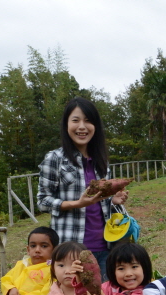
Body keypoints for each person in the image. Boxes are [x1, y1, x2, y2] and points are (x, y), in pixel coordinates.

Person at [37, 97, 128, 278]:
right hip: (72, 251)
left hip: (106, 246)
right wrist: (77, 203)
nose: (82, 127)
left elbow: (101, 201)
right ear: (66, 124)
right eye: (76, 120)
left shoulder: (101, 161)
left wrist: (113, 200)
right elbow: (42, 202)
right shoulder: (54, 158)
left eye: (88, 121)